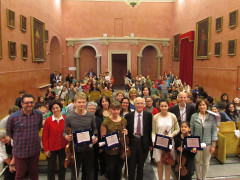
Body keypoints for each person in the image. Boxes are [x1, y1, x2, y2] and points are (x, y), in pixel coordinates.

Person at [7, 94, 43, 180]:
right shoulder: (13, 117)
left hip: (34, 150)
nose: (29, 104)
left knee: (34, 173)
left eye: (31, 102)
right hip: (20, 151)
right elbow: (10, 133)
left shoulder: (38, 114)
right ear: (22, 104)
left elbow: (38, 128)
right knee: (20, 174)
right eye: (27, 103)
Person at [64, 92, 98, 180]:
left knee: (89, 174)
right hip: (75, 150)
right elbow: (64, 132)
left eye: (83, 102)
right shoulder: (69, 117)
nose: (81, 104)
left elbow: (95, 129)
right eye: (79, 102)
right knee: (74, 174)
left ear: (86, 103)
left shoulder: (91, 116)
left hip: (88, 149)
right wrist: (66, 136)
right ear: (74, 103)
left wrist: (95, 136)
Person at [125, 97, 152, 180]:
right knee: (131, 165)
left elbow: (150, 130)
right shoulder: (128, 116)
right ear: (134, 104)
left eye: (141, 103)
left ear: (144, 105)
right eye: (137, 103)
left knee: (141, 166)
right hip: (132, 142)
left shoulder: (148, 115)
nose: (139, 105)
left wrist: (150, 144)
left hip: (143, 143)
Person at [190, 99, 218, 180]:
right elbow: (192, 131)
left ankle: (204, 178)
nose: (202, 107)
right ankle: (198, 177)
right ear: (198, 107)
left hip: (208, 143)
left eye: (204, 105)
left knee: (206, 162)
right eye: (200, 105)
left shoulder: (212, 117)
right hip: (196, 143)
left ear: (207, 106)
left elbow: (214, 131)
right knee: (197, 160)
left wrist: (213, 145)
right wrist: (192, 145)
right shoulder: (194, 116)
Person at [152, 99, 179, 180]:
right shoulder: (155, 117)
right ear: (159, 106)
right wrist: (153, 140)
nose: (163, 108)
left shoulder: (173, 116)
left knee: (168, 163)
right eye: (162, 106)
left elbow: (177, 129)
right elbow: (153, 131)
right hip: (159, 142)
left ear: (168, 106)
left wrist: (171, 135)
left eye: (165, 106)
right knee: (159, 164)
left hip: (169, 142)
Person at [101, 101, 128, 180]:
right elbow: (103, 137)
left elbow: (124, 135)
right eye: (114, 109)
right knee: (111, 171)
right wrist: (110, 144)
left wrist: (126, 133)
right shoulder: (105, 122)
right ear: (110, 110)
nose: (116, 111)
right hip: (110, 151)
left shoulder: (123, 121)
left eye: (118, 109)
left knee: (119, 171)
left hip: (121, 150)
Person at [42, 101, 68, 180]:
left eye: (57, 108)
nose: (55, 110)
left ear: (60, 108)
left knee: (62, 166)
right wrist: (46, 149)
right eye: (53, 108)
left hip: (63, 147)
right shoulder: (48, 120)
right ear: (51, 110)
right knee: (51, 168)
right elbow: (45, 136)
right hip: (51, 147)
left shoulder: (65, 119)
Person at [87, 102, 102, 180]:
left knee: (95, 164)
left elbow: (100, 133)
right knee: (86, 166)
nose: (92, 110)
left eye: (94, 109)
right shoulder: (84, 118)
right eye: (90, 108)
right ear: (87, 109)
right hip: (86, 145)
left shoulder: (98, 120)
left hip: (96, 145)